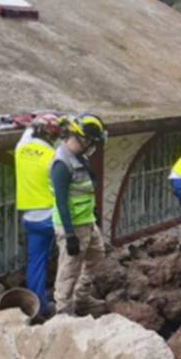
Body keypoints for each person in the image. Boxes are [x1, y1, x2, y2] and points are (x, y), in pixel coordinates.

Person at [51, 114, 108, 315]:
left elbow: (83, 190)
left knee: (97, 255)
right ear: (81, 138)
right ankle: (64, 313)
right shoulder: (62, 164)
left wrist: (93, 212)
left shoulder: (79, 158)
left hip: (87, 222)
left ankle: (81, 298)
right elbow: (61, 201)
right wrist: (69, 234)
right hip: (72, 226)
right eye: (92, 142)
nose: (93, 146)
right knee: (69, 270)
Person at [14, 114, 63, 315]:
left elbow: (28, 132)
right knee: (68, 259)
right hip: (51, 216)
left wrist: (32, 122)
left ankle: (38, 307)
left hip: (30, 218)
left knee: (36, 263)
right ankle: (64, 301)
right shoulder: (53, 155)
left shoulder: (21, 148)